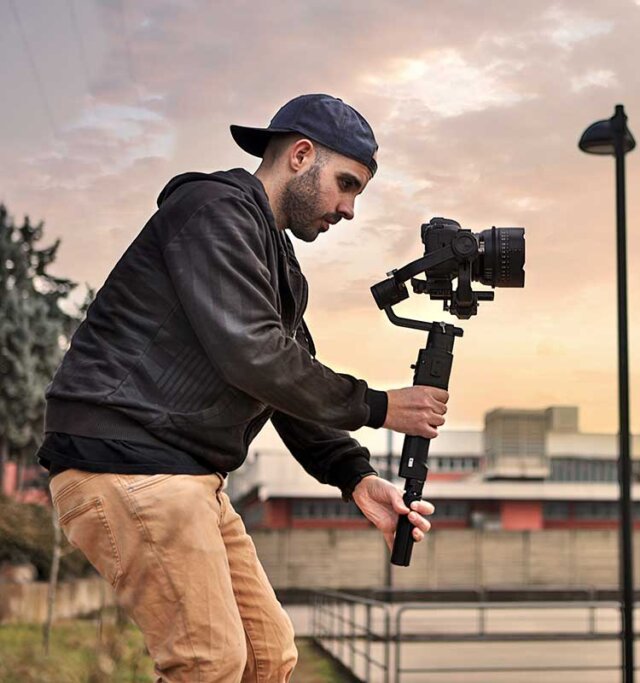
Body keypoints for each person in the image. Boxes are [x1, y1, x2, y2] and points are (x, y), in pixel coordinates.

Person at [37, 94, 446, 682]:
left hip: (187, 475)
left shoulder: (275, 259)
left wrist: (354, 476)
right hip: (128, 462)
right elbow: (254, 356)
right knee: (208, 663)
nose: (350, 209)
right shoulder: (212, 211)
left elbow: (286, 377)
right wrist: (379, 407)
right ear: (301, 156)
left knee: (266, 657)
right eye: (347, 184)